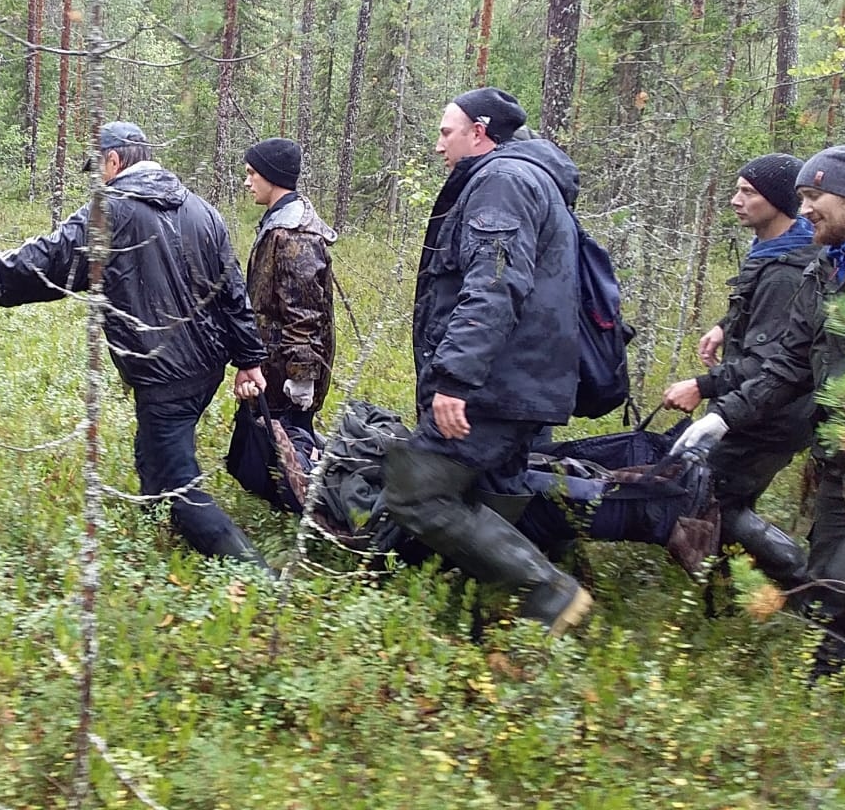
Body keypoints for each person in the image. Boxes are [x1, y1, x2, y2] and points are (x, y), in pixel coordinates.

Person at [0, 121, 272, 568]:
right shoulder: (203, 210)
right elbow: (234, 294)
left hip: (165, 374)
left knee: (176, 486)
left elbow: (43, 264)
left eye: (100, 168)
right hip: (206, 369)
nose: (99, 179)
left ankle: (260, 579)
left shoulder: (110, 212)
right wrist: (248, 360)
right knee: (155, 452)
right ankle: (155, 549)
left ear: (114, 160)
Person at [381, 87, 592, 634]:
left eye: (446, 132)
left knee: (416, 490)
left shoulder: (502, 181)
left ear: (479, 131)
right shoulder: (529, 179)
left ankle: (549, 592)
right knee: (490, 491)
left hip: (496, 384)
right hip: (523, 381)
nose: (437, 146)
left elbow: (494, 286)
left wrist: (454, 377)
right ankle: (491, 617)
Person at [672, 144, 845, 678]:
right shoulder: (825, 269)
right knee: (827, 583)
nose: (806, 210)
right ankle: (824, 708)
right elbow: (789, 360)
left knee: (840, 583)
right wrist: (720, 415)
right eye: (800, 197)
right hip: (838, 459)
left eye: (815, 196)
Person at [662, 155, 818, 595]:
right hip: (758, 408)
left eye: (749, 192)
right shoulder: (773, 253)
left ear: (780, 201)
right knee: (718, 499)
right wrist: (725, 326)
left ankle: (808, 586)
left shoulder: (789, 270)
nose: (736, 200)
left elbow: (770, 361)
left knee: (713, 500)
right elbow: (765, 321)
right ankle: (726, 601)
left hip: (771, 415)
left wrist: (701, 386)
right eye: (737, 189)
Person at [241, 137, 336, 431]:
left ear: (271, 176)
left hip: (285, 384)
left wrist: (301, 376)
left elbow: (305, 312)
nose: (247, 183)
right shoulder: (278, 223)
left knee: (288, 466)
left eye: (251, 173)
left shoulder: (294, 234)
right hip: (272, 374)